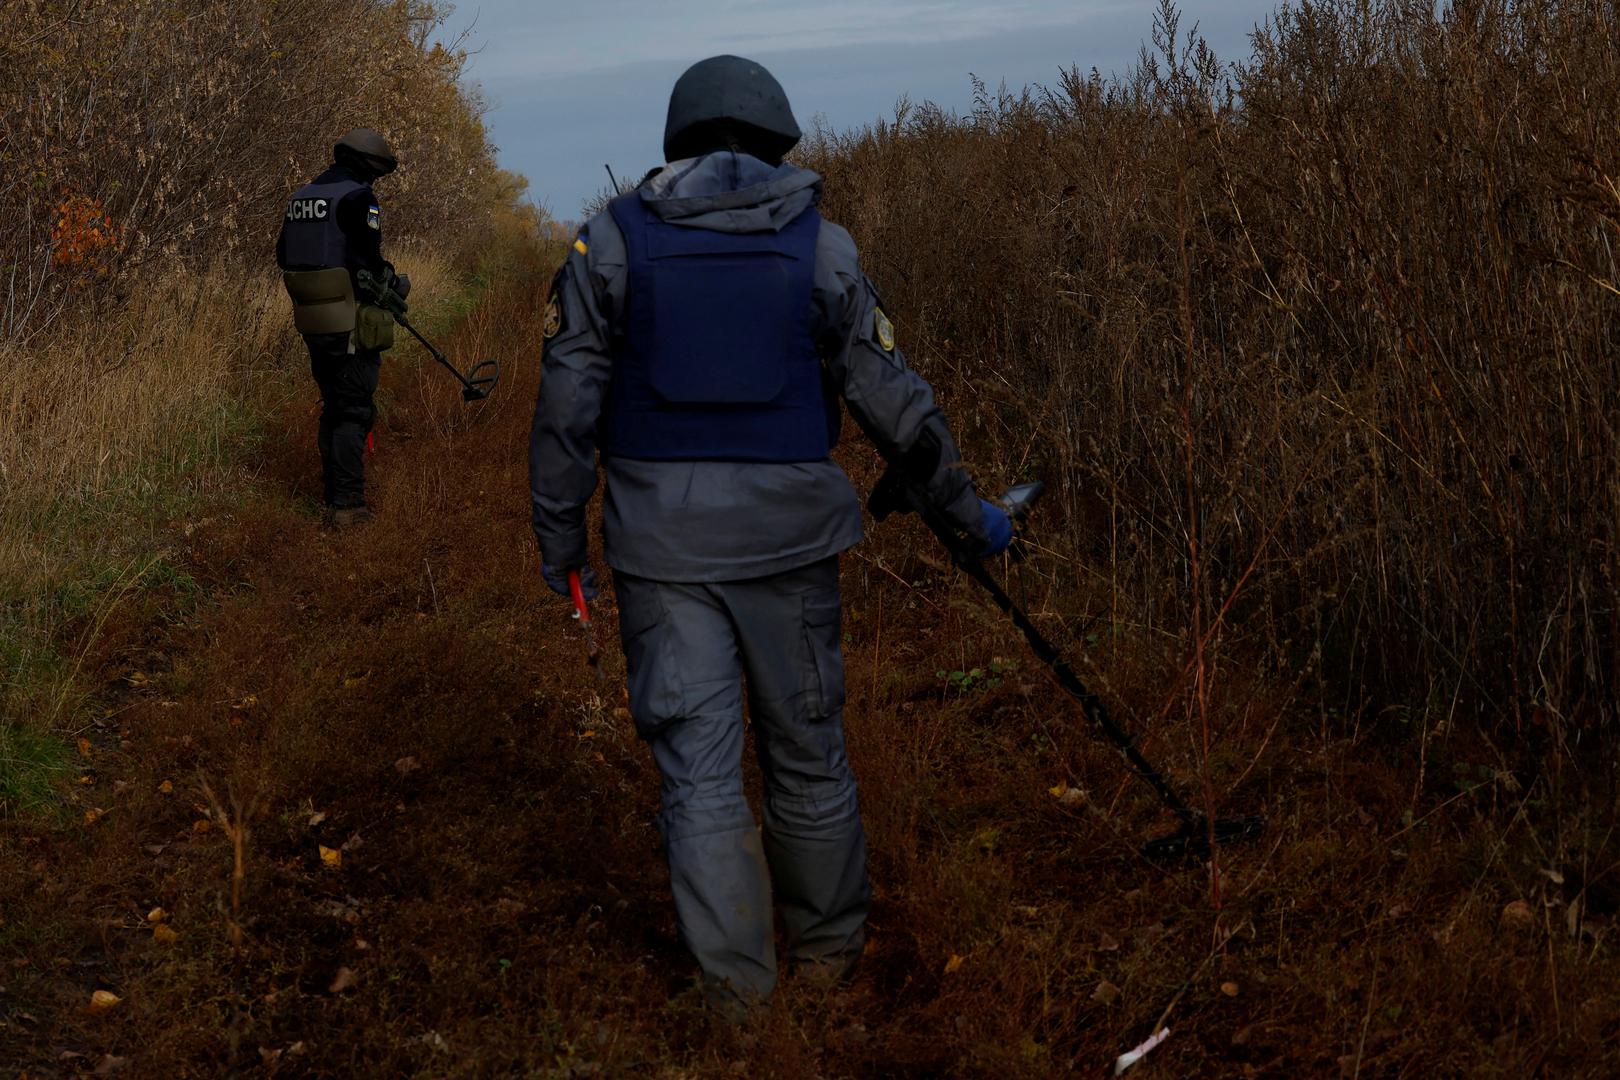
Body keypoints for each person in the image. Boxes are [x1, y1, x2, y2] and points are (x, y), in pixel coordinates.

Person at [528, 55, 1013, 1016]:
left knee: (698, 772)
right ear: (777, 137)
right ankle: (828, 958)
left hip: (661, 552)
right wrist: (974, 518)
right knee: (808, 750)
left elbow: (565, 407)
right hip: (792, 547)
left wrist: (561, 542)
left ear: (678, 134)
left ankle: (739, 998)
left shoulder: (608, 243)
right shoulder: (821, 247)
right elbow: (899, 408)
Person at [276, 128, 407, 527]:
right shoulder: (358, 197)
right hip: (348, 320)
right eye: (377, 173)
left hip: (311, 319)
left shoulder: (301, 196)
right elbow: (367, 261)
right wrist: (393, 282)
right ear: (369, 165)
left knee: (334, 403)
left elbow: (284, 254)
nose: (376, 181)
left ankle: (334, 494)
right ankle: (347, 505)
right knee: (352, 408)